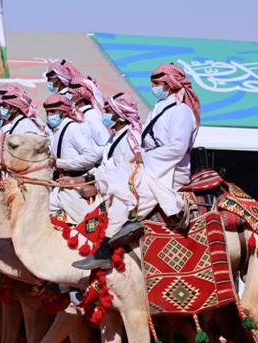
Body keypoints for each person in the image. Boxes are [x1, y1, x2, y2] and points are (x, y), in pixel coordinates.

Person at [73, 63, 201, 270]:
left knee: (130, 192)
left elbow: (178, 148)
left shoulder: (181, 112)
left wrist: (146, 158)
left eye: (157, 84)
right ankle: (99, 197)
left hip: (170, 169)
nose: (154, 88)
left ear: (169, 84)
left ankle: (108, 246)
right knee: (120, 174)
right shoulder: (161, 108)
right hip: (153, 163)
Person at [44, 92, 100, 225]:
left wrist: (59, 163)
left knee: (86, 220)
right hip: (62, 182)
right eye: (48, 112)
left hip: (78, 181)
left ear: (63, 112)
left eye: (53, 112)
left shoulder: (73, 128)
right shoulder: (57, 131)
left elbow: (91, 156)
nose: (49, 116)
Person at [68, 75, 111, 157]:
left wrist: (86, 156)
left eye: (70, 93)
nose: (67, 95)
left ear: (80, 96)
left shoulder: (92, 117)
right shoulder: (75, 113)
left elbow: (106, 146)